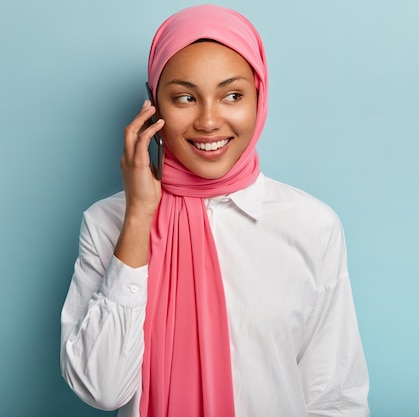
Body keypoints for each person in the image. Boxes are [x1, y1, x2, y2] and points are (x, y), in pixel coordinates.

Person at [60, 4, 369, 417]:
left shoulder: (311, 225)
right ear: (154, 106)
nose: (208, 120)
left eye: (233, 95)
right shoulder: (107, 223)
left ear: (260, 98)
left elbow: (334, 396)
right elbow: (102, 389)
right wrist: (138, 218)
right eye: (185, 97)